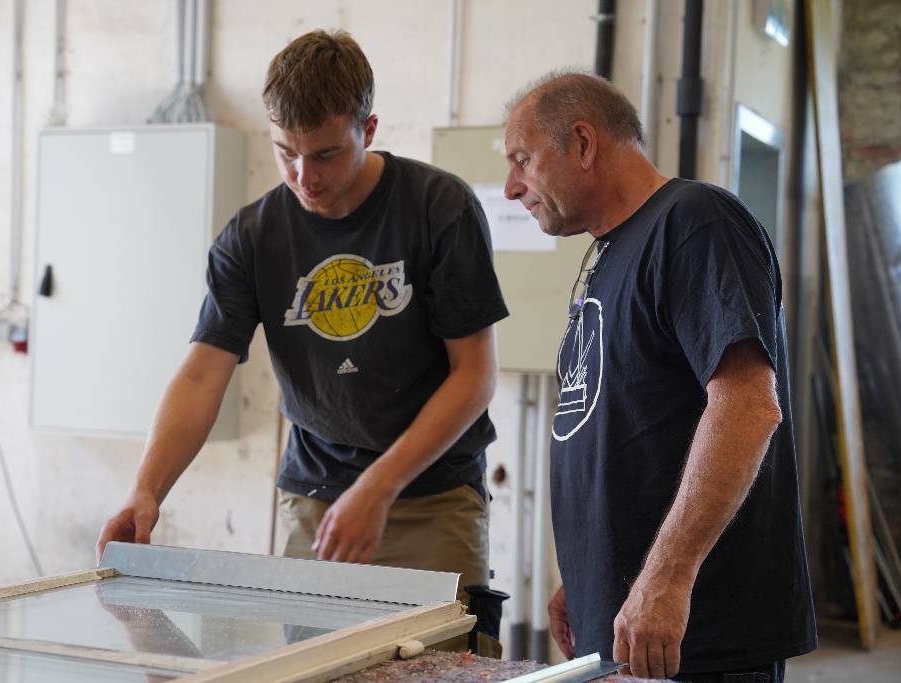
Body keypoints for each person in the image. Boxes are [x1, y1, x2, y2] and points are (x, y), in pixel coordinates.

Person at [96, 29, 508, 639]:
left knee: (440, 665)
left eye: (325, 155)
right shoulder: (252, 236)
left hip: (433, 497)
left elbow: (474, 376)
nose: (302, 176)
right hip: (313, 496)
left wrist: (379, 487)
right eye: (285, 151)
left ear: (367, 131)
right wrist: (146, 489)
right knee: (311, 667)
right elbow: (202, 372)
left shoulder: (437, 208)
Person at [502, 71, 816, 681]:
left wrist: (667, 577)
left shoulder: (695, 223)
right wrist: (593, 569)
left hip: (698, 634)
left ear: (584, 144)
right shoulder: (611, 253)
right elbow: (628, 420)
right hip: (630, 616)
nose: (513, 187)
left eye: (523, 160)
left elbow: (749, 406)